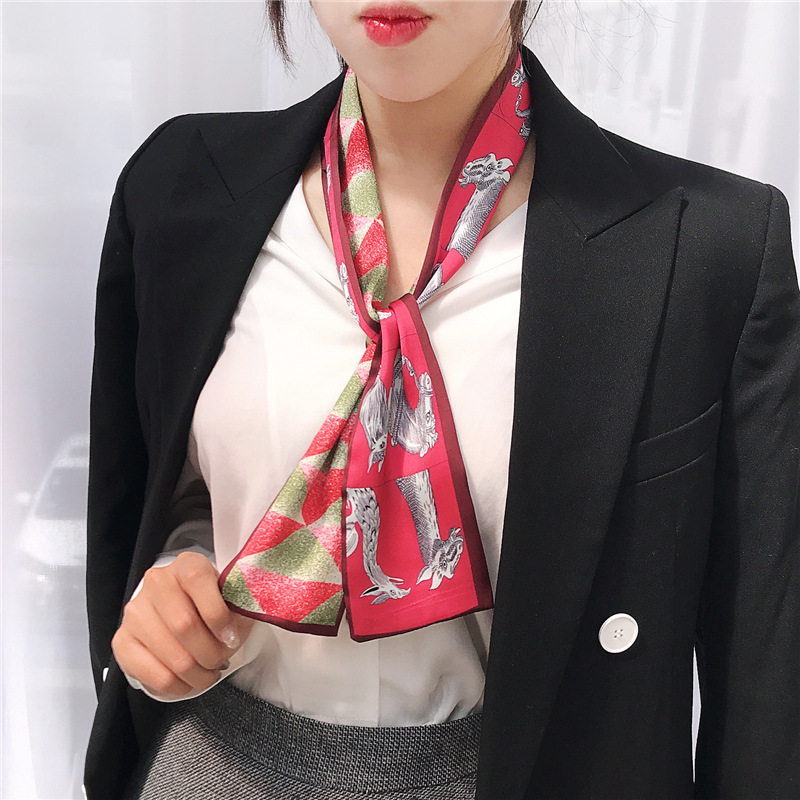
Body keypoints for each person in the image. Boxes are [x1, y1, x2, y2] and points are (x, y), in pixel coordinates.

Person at [84, 1, 800, 798]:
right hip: (209, 764)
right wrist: (173, 578)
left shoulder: (707, 249)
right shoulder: (178, 188)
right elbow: (157, 494)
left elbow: (764, 681)